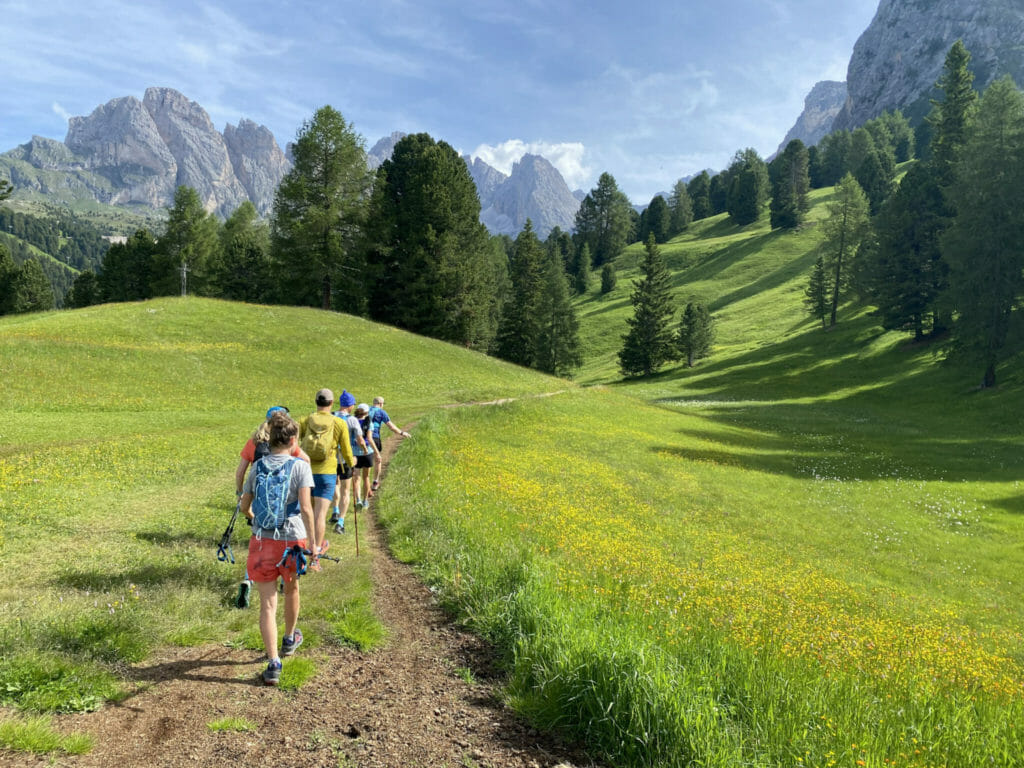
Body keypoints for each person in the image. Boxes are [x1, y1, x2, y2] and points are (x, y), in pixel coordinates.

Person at [238, 411, 314, 686]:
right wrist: (314, 544)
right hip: (292, 540)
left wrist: (256, 521)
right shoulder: (300, 467)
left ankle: (273, 663)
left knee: (267, 604)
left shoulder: (257, 467)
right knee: (291, 588)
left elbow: (245, 506)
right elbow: (306, 508)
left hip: (262, 540)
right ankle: (290, 638)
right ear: (293, 440)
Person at [234, 406, 309, 607]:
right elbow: (305, 460)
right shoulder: (287, 443)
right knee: (284, 550)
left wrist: (240, 493)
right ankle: (286, 582)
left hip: (260, 508)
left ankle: (247, 580)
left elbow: (241, 471)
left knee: (259, 549)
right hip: (288, 516)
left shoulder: (254, 442)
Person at [297, 388, 351, 567]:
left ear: (316, 402)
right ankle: (315, 558)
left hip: (306, 471)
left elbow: (294, 443)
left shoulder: (305, 420)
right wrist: (352, 463)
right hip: (327, 472)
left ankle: (303, 552)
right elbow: (347, 451)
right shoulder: (338, 423)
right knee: (320, 514)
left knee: (306, 513)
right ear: (332, 402)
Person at [331, 390, 359, 533]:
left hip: (330, 459)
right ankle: (341, 522)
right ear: (349, 405)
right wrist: (364, 450)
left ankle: (335, 510)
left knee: (335, 484)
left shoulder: (330, 416)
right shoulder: (352, 420)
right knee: (346, 490)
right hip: (346, 458)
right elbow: (359, 439)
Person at [367, 396, 409, 493]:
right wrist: (402, 433)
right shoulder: (381, 412)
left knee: (367, 461)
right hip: (375, 437)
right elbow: (391, 426)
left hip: (364, 438)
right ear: (381, 404)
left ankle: (365, 481)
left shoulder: (366, 409)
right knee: (377, 460)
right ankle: (375, 482)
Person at [352, 403, 376, 508]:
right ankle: (365, 500)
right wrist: (377, 452)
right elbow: (369, 439)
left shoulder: (352, 421)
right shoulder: (369, 422)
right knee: (366, 477)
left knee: (356, 478)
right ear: (366, 412)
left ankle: (358, 500)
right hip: (367, 452)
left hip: (355, 453)